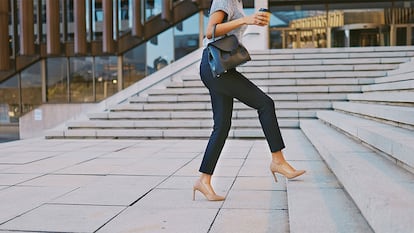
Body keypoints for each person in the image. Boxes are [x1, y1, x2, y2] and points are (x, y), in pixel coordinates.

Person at [193, 0, 306, 202]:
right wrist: (246, 20)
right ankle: (278, 161)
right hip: (214, 66)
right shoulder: (225, 0)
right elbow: (210, 31)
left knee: (221, 127)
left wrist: (251, 21)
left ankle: (204, 180)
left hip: (219, 68)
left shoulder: (236, 1)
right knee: (265, 104)